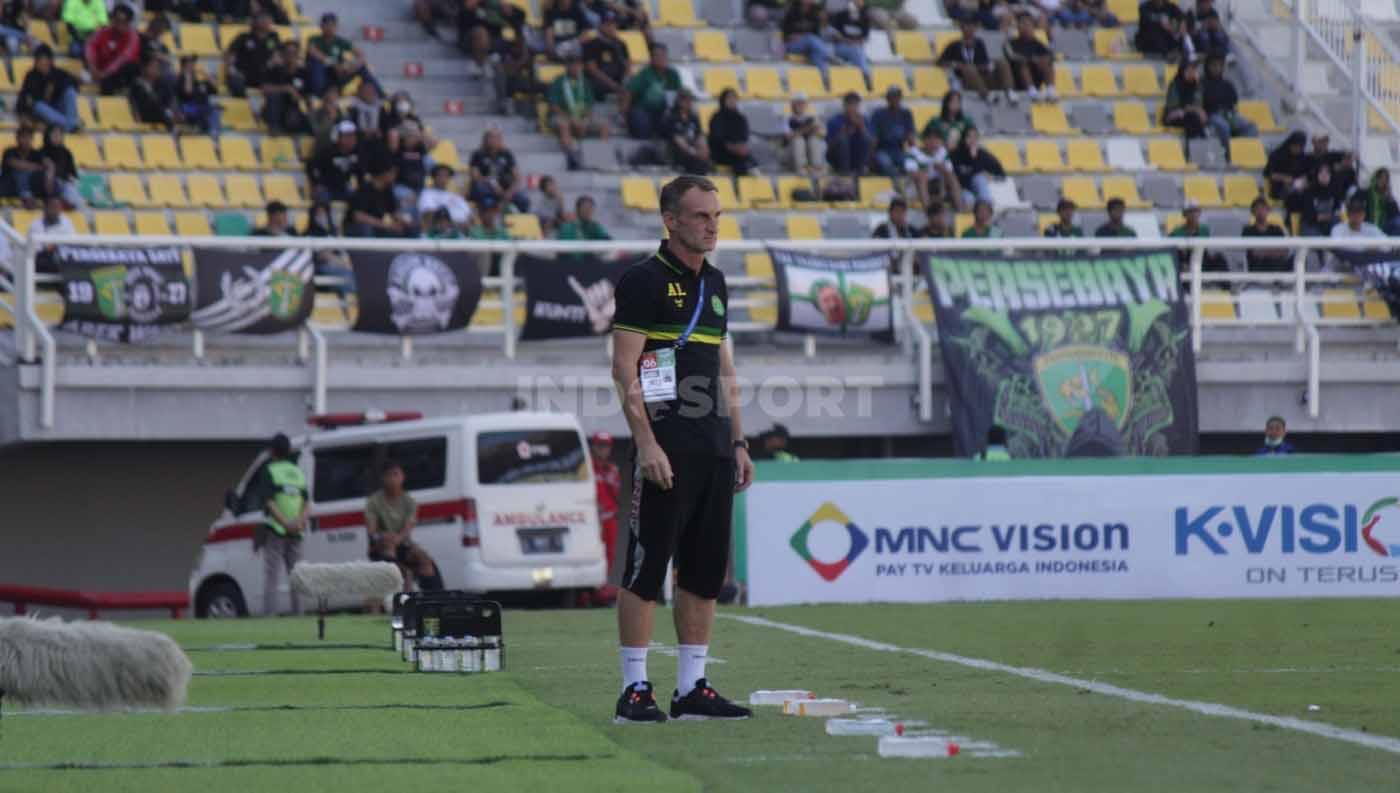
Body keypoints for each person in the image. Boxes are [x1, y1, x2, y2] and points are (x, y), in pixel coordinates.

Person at [608, 175, 754, 724]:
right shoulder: (643, 281)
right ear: (670, 220)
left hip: (714, 446)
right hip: (665, 447)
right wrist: (645, 442)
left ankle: (692, 688)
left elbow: (724, 366)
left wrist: (738, 440)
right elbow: (625, 368)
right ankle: (634, 690)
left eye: (716, 215)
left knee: (703, 572)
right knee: (647, 570)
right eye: (700, 216)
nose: (712, 225)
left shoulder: (716, 282)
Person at [367, 460, 443, 592]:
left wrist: (398, 539)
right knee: (399, 566)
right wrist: (384, 536)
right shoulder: (374, 501)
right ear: (383, 478)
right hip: (381, 545)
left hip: (402, 544)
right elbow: (372, 531)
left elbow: (408, 528)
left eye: (396, 475)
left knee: (424, 560)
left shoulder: (409, 501)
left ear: (402, 477)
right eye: (389, 475)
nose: (393, 479)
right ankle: (400, 597)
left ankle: (433, 597)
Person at [252, 433, 306, 617]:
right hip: (297, 531)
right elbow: (307, 502)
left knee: (272, 576)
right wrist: (298, 522)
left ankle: (270, 615)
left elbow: (269, 501)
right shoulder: (297, 471)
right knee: (297, 576)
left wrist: (284, 523)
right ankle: (299, 614)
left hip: (276, 529)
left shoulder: (269, 470)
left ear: (272, 451)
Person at [548, 52, 609, 170]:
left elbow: (590, 105)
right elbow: (554, 106)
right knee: (563, 125)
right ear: (567, 67)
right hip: (563, 117)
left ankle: (600, 161)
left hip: (581, 118)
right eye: (573, 65)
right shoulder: (559, 81)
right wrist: (571, 119)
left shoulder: (585, 82)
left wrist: (585, 119)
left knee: (604, 126)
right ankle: (572, 160)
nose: (576, 68)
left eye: (578, 65)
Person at [938, 21, 1013, 104]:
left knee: (1001, 62)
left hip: (984, 76)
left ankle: (1009, 91)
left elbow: (985, 62)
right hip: (967, 81)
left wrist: (984, 66)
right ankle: (986, 95)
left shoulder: (979, 43)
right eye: (967, 27)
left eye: (972, 27)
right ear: (962, 29)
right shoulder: (954, 45)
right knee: (969, 68)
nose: (969, 29)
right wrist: (956, 65)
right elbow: (940, 61)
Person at [306, 12, 380, 97]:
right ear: (321, 26)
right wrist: (333, 64)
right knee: (316, 64)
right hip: (323, 73)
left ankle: (380, 95)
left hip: (337, 73)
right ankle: (318, 95)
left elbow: (361, 54)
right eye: (327, 25)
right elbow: (313, 52)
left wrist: (351, 66)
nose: (330, 28)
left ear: (336, 27)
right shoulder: (314, 39)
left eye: (333, 25)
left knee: (362, 68)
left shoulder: (341, 42)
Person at [621, 43, 681, 140]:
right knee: (641, 125)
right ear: (651, 58)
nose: (659, 58)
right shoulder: (644, 74)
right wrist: (624, 115)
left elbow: (677, 95)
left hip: (662, 111)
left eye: (662, 55)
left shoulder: (672, 75)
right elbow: (629, 92)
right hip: (643, 110)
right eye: (656, 55)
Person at [1200, 52, 1256, 154]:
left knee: (1250, 127)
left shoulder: (1227, 84)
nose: (1217, 68)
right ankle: (1229, 154)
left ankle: (1245, 154)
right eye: (1214, 65)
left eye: (1220, 65)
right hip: (1212, 115)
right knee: (1224, 126)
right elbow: (1201, 103)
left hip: (1229, 114)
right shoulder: (1201, 83)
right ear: (1208, 66)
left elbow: (1234, 101)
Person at [589, 431, 621, 605]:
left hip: (609, 519)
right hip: (591, 521)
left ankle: (601, 590)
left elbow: (615, 495)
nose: (603, 449)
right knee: (592, 553)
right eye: (600, 445)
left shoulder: (612, 469)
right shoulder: (587, 468)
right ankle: (589, 591)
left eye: (606, 446)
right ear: (593, 447)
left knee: (609, 555)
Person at [18, 45, 81, 132]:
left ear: (50, 61)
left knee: (70, 92)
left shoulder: (58, 73)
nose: (43, 64)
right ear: (36, 62)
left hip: (57, 108)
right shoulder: (31, 76)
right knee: (38, 105)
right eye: (40, 61)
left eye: (46, 61)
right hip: (41, 111)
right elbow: (24, 97)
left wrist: (54, 86)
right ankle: (71, 126)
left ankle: (69, 124)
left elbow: (74, 83)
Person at [468, 127, 530, 212]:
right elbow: (475, 177)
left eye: (496, 137)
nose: (493, 140)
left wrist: (510, 191)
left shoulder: (507, 154)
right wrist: (492, 184)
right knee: (480, 190)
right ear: (485, 139)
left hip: (505, 188)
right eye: (491, 137)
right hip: (487, 188)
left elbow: (517, 178)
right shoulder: (477, 154)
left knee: (523, 200)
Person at [85, 3, 140, 95]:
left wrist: (104, 74)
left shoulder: (133, 37)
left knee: (131, 67)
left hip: (117, 75)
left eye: (123, 21)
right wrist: (92, 67)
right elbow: (90, 47)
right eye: (116, 20)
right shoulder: (103, 32)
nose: (118, 24)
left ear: (128, 23)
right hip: (98, 70)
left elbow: (122, 59)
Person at [345, 165, 415, 238]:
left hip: (380, 226)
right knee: (367, 229)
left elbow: (392, 211)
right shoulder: (364, 190)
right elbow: (358, 216)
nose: (394, 176)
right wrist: (385, 225)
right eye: (392, 173)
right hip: (360, 228)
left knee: (406, 227)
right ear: (383, 173)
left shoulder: (387, 190)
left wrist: (403, 221)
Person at [224, 10, 280, 97]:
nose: (267, 22)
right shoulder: (244, 37)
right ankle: (242, 104)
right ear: (256, 21)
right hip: (244, 75)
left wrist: (275, 63)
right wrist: (232, 69)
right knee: (236, 80)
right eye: (263, 19)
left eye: (269, 19)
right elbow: (230, 54)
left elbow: (278, 55)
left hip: (264, 75)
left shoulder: (274, 37)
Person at [1002, 12, 1056, 102]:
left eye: (1028, 25)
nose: (1026, 27)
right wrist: (1032, 59)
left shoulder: (1037, 43)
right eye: (1023, 24)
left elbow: (1049, 55)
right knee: (1023, 63)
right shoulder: (1012, 42)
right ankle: (1032, 92)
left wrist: (1042, 60)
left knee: (1047, 61)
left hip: (1036, 74)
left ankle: (1050, 91)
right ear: (1018, 27)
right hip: (1018, 76)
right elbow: (1012, 56)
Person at [307, 120, 362, 203]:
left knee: (361, 197)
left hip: (344, 188)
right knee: (322, 197)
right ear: (338, 137)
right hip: (327, 189)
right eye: (347, 136)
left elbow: (360, 172)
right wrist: (316, 183)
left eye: (353, 136)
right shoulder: (328, 152)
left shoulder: (357, 153)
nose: (352, 139)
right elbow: (311, 165)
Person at [905, 127, 959, 211]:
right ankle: (928, 212)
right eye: (929, 139)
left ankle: (959, 210)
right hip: (915, 188)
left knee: (950, 176)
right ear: (923, 140)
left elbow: (949, 173)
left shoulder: (943, 153)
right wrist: (927, 168)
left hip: (937, 188)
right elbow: (913, 174)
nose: (933, 143)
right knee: (922, 177)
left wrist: (942, 168)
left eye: (936, 140)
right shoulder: (913, 153)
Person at [260, 41, 309, 133]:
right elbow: (264, 88)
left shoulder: (303, 73)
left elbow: (307, 95)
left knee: (295, 120)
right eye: (288, 52)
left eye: (294, 53)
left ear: (298, 55)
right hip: (274, 109)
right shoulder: (274, 70)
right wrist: (286, 89)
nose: (291, 55)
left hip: (293, 108)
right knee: (274, 96)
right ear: (282, 54)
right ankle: (274, 127)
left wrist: (297, 97)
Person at [708, 88, 757, 176]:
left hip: (739, 151)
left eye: (734, 98)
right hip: (721, 152)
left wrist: (741, 147)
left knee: (752, 161)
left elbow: (745, 136)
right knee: (741, 162)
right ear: (723, 100)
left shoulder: (740, 118)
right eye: (729, 98)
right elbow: (717, 139)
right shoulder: (717, 117)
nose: (732, 100)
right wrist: (733, 148)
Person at [950, 126, 1003, 206]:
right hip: (962, 190)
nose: (972, 140)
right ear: (963, 138)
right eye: (969, 136)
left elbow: (1000, 172)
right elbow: (961, 178)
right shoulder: (956, 154)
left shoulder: (982, 153)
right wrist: (973, 159)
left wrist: (991, 176)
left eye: (975, 137)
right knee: (970, 197)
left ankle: (986, 204)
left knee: (980, 178)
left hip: (979, 190)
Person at [1168, 200, 1227, 272]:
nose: (1194, 214)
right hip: (1185, 263)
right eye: (1190, 211)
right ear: (1184, 214)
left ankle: (1226, 283)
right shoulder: (1176, 233)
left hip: (1202, 261)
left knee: (1219, 258)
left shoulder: (1204, 230)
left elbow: (1206, 251)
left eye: (1196, 211)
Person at [870, 86, 915, 178]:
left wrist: (915, 154)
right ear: (887, 99)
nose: (895, 100)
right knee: (886, 165)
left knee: (911, 165)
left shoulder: (906, 114)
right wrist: (871, 156)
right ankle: (897, 182)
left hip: (899, 150)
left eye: (897, 97)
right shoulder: (878, 114)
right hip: (882, 150)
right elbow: (873, 138)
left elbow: (910, 137)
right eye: (892, 97)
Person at [583, 11, 629, 100]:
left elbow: (627, 65)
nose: (612, 28)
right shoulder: (591, 44)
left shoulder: (620, 44)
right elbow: (593, 70)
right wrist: (613, 85)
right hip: (600, 83)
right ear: (600, 26)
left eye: (614, 24)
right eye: (608, 25)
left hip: (618, 81)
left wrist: (625, 81)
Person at [173, 54, 222, 136]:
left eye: (193, 63)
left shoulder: (199, 80)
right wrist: (187, 76)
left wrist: (206, 75)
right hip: (188, 108)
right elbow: (188, 93)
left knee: (215, 110)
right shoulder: (180, 78)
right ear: (184, 65)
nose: (193, 66)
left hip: (202, 108)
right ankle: (209, 133)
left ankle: (214, 136)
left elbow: (215, 90)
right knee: (206, 113)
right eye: (190, 63)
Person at [663, 89, 709, 175]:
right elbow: (678, 139)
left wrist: (704, 149)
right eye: (687, 100)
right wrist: (694, 152)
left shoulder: (693, 117)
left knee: (705, 160)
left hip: (693, 150)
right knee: (697, 163)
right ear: (680, 101)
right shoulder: (671, 117)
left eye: (691, 100)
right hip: (677, 151)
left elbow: (699, 135)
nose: (690, 103)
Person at [781, 0, 834, 76]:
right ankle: (829, 55)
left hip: (809, 46)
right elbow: (784, 34)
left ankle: (826, 79)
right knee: (810, 38)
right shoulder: (791, 11)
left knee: (817, 56)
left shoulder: (814, 13)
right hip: (793, 45)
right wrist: (792, 36)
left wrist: (822, 21)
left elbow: (817, 35)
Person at [826, 91, 872, 175]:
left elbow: (871, 141)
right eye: (850, 104)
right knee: (842, 139)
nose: (853, 107)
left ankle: (861, 169)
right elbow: (830, 144)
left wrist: (862, 128)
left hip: (855, 156)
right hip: (837, 159)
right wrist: (845, 131)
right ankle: (845, 172)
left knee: (866, 138)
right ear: (845, 105)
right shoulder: (835, 120)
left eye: (855, 105)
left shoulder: (863, 119)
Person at [1241, 196, 1290, 272]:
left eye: (1263, 208)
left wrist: (1264, 252)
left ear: (1268, 211)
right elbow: (1254, 253)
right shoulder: (1248, 230)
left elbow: (1284, 251)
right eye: (1258, 209)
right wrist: (1274, 252)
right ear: (1253, 212)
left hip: (1277, 264)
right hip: (1257, 266)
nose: (1261, 212)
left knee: (1297, 258)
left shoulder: (1277, 229)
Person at [1162, 58, 1206, 141]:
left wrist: (1198, 110)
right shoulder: (1175, 84)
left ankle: (1199, 144)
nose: (1193, 72)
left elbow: (1198, 104)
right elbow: (1174, 107)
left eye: (1194, 69)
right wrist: (1193, 109)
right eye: (1190, 69)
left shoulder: (1196, 86)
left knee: (1195, 119)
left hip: (1189, 115)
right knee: (1193, 118)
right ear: (1183, 70)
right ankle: (1196, 145)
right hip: (1173, 115)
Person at [418, 164, 472, 231]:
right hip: (437, 234)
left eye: (446, 176)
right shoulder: (427, 194)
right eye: (440, 175)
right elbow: (428, 214)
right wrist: (453, 223)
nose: (443, 178)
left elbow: (469, 215)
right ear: (434, 177)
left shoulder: (455, 196)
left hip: (459, 234)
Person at [129, 56, 177, 130]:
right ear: (145, 68)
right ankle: (173, 129)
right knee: (164, 112)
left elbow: (165, 100)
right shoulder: (137, 84)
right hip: (145, 114)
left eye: (157, 67)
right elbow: (134, 103)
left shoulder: (160, 83)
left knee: (168, 111)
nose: (156, 69)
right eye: (153, 67)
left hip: (159, 113)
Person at [828, 0, 873, 80]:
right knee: (858, 52)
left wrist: (854, 42)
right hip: (840, 47)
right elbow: (832, 32)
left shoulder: (864, 18)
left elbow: (865, 38)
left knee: (857, 50)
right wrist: (845, 40)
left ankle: (864, 74)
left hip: (857, 48)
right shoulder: (841, 15)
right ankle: (866, 74)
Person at [2, 126, 44, 208]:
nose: (26, 140)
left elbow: (43, 167)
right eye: (23, 137)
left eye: (29, 137)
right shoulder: (9, 151)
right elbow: (13, 163)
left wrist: (26, 167)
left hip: (31, 186)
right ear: (17, 138)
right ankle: (26, 196)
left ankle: (27, 196)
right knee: (19, 173)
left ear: (32, 139)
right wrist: (32, 166)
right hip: (10, 185)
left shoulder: (36, 153)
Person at [29, 194, 73, 273]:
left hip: (63, 257)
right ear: (45, 208)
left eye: (58, 207)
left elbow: (72, 244)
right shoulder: (36, 225)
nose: (56, 210)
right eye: (53, 207)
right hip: (43, 259)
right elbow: (36, 251)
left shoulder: (67, 222)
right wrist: (52, 248)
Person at [784, 93, 826, 176]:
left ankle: (816, 167)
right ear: (793, 105)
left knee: (814, 140)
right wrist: (807, 129)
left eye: (802, 103)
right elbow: (788, 136)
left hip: (809, 154)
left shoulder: (812, 118)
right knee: (798, 140)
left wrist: (816, 129)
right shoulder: (787, 119)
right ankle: (801, 168)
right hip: (791, 156)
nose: (800, 106)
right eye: (798, 103)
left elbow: (822, 135)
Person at [39, 124, 79, 207]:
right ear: (48, 135)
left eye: (59, 134)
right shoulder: (41, 152)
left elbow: (73, 173)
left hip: (65, 183)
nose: (57, 136)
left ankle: (67, 203)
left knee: (71, 189)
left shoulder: (66, 152)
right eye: (54, 134)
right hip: (48, 185)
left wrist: (70, 178)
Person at [1265, 131, 1309, 206]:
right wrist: (1284, 178)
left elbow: (1305, 173)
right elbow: (1267, 173)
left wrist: (1303, 180)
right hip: (1279, 186)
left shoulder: (1302, 157)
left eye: (1300, 147)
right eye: (1295, 146)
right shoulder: (1277, 155)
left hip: (1296, 186)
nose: (1297, 149)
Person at [1299, 163, 1341, 237]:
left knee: (1337, 227)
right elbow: (1310, 216)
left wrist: (1330, 217)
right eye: (1321, 172)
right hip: (1311, 225)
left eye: (1327, 172)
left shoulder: (1335, 191)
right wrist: (1327, 217)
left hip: (1328, 224)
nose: (1324, 175)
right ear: (1317, 175)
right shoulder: (1308, 192)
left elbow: (1337, 211)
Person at [1364, 168, 1400, 236]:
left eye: (1386, 179)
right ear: (1376, 179)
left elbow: (1395, 214)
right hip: (1368, 225)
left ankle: (1394, 245)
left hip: (1384, 226)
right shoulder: (1367, 193)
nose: (1383, 181)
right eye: (1381, 178)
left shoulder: (1387, 196)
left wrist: (1389, 199)